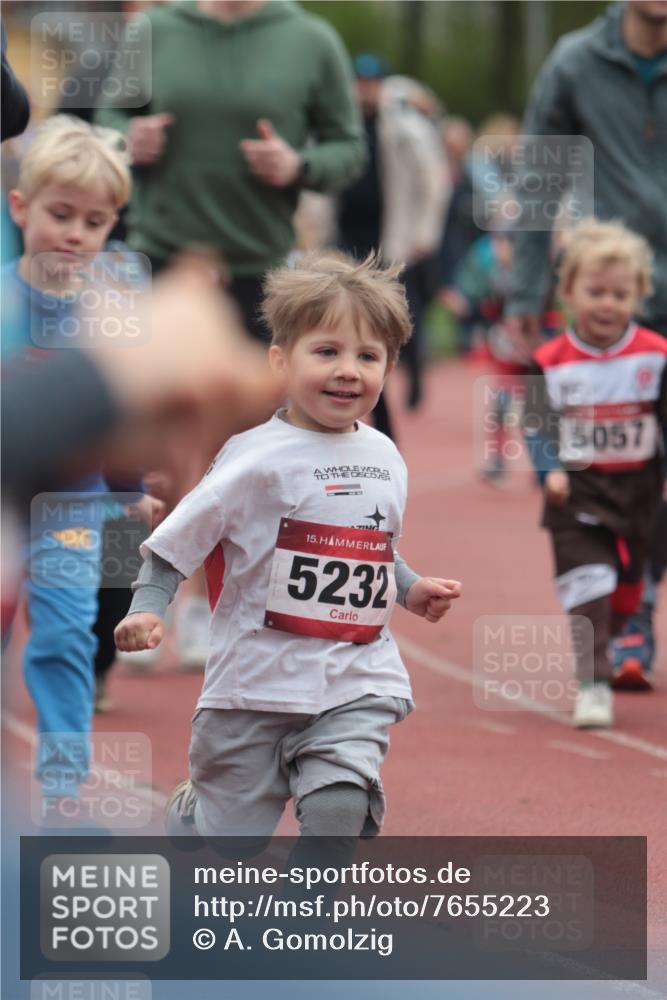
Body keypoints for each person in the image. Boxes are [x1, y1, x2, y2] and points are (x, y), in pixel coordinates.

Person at [115, 251, 462, 841]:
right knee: (231, 840)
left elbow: (371, 545)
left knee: (339, 809)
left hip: (354, 678)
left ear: (390, 366)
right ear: (280, 360)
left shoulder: (384, 454)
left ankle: (307, 901)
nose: (348, 370)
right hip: (255, 683)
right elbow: (178, 542)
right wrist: (148, 607)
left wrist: (409, 588)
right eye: (326, 352)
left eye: (367, 356)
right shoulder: (252, 458)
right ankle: (193, 814)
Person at [97, 0, 366, 669]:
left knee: (236, 454)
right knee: (145, 449)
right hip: (160, 256)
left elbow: (349, 149)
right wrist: (128, 141)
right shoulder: (153, 30)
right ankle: (127, 611)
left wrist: (298, 165)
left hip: (258, 267)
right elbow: (107, 120)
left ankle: (200, 607)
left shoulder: (311, 39)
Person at [506, 0, 667, 684]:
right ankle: (631, 617)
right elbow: (538, 181)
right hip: (614, 289)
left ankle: (637, 602)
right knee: (617, 463)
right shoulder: (576, 61)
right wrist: (524, 291)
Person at [2, 115, 134, 810]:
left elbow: (130, 413)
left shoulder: (111, 312)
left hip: (75, 509)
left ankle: (62, 785)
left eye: (94, 221)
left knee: (64, 637)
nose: (75, 234)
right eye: (60, 214)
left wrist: (134, 491)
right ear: (20, 207)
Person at [524, 220, 666, 728]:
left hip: (639, 494)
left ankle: (621, 627)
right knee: (589, 585)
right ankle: (594, 684)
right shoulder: (549, 361)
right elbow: (537, 425)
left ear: (639, 297)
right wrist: (550, 469)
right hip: (576, 493)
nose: (607, 304)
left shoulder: (656, 355)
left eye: (620, 295)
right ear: (568, 292)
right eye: (595, 292)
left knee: (627, 590)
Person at [338, 57, 449, 415]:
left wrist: (424, 233)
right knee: (355, 314)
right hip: (347, 233)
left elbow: (432, 182)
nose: (365, 89)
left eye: (371, 82)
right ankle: (378, 401)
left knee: (402, 310)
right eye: (359, 81)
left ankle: (413, 367)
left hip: (392, 234)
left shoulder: (406, 127)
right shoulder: (340, 123)